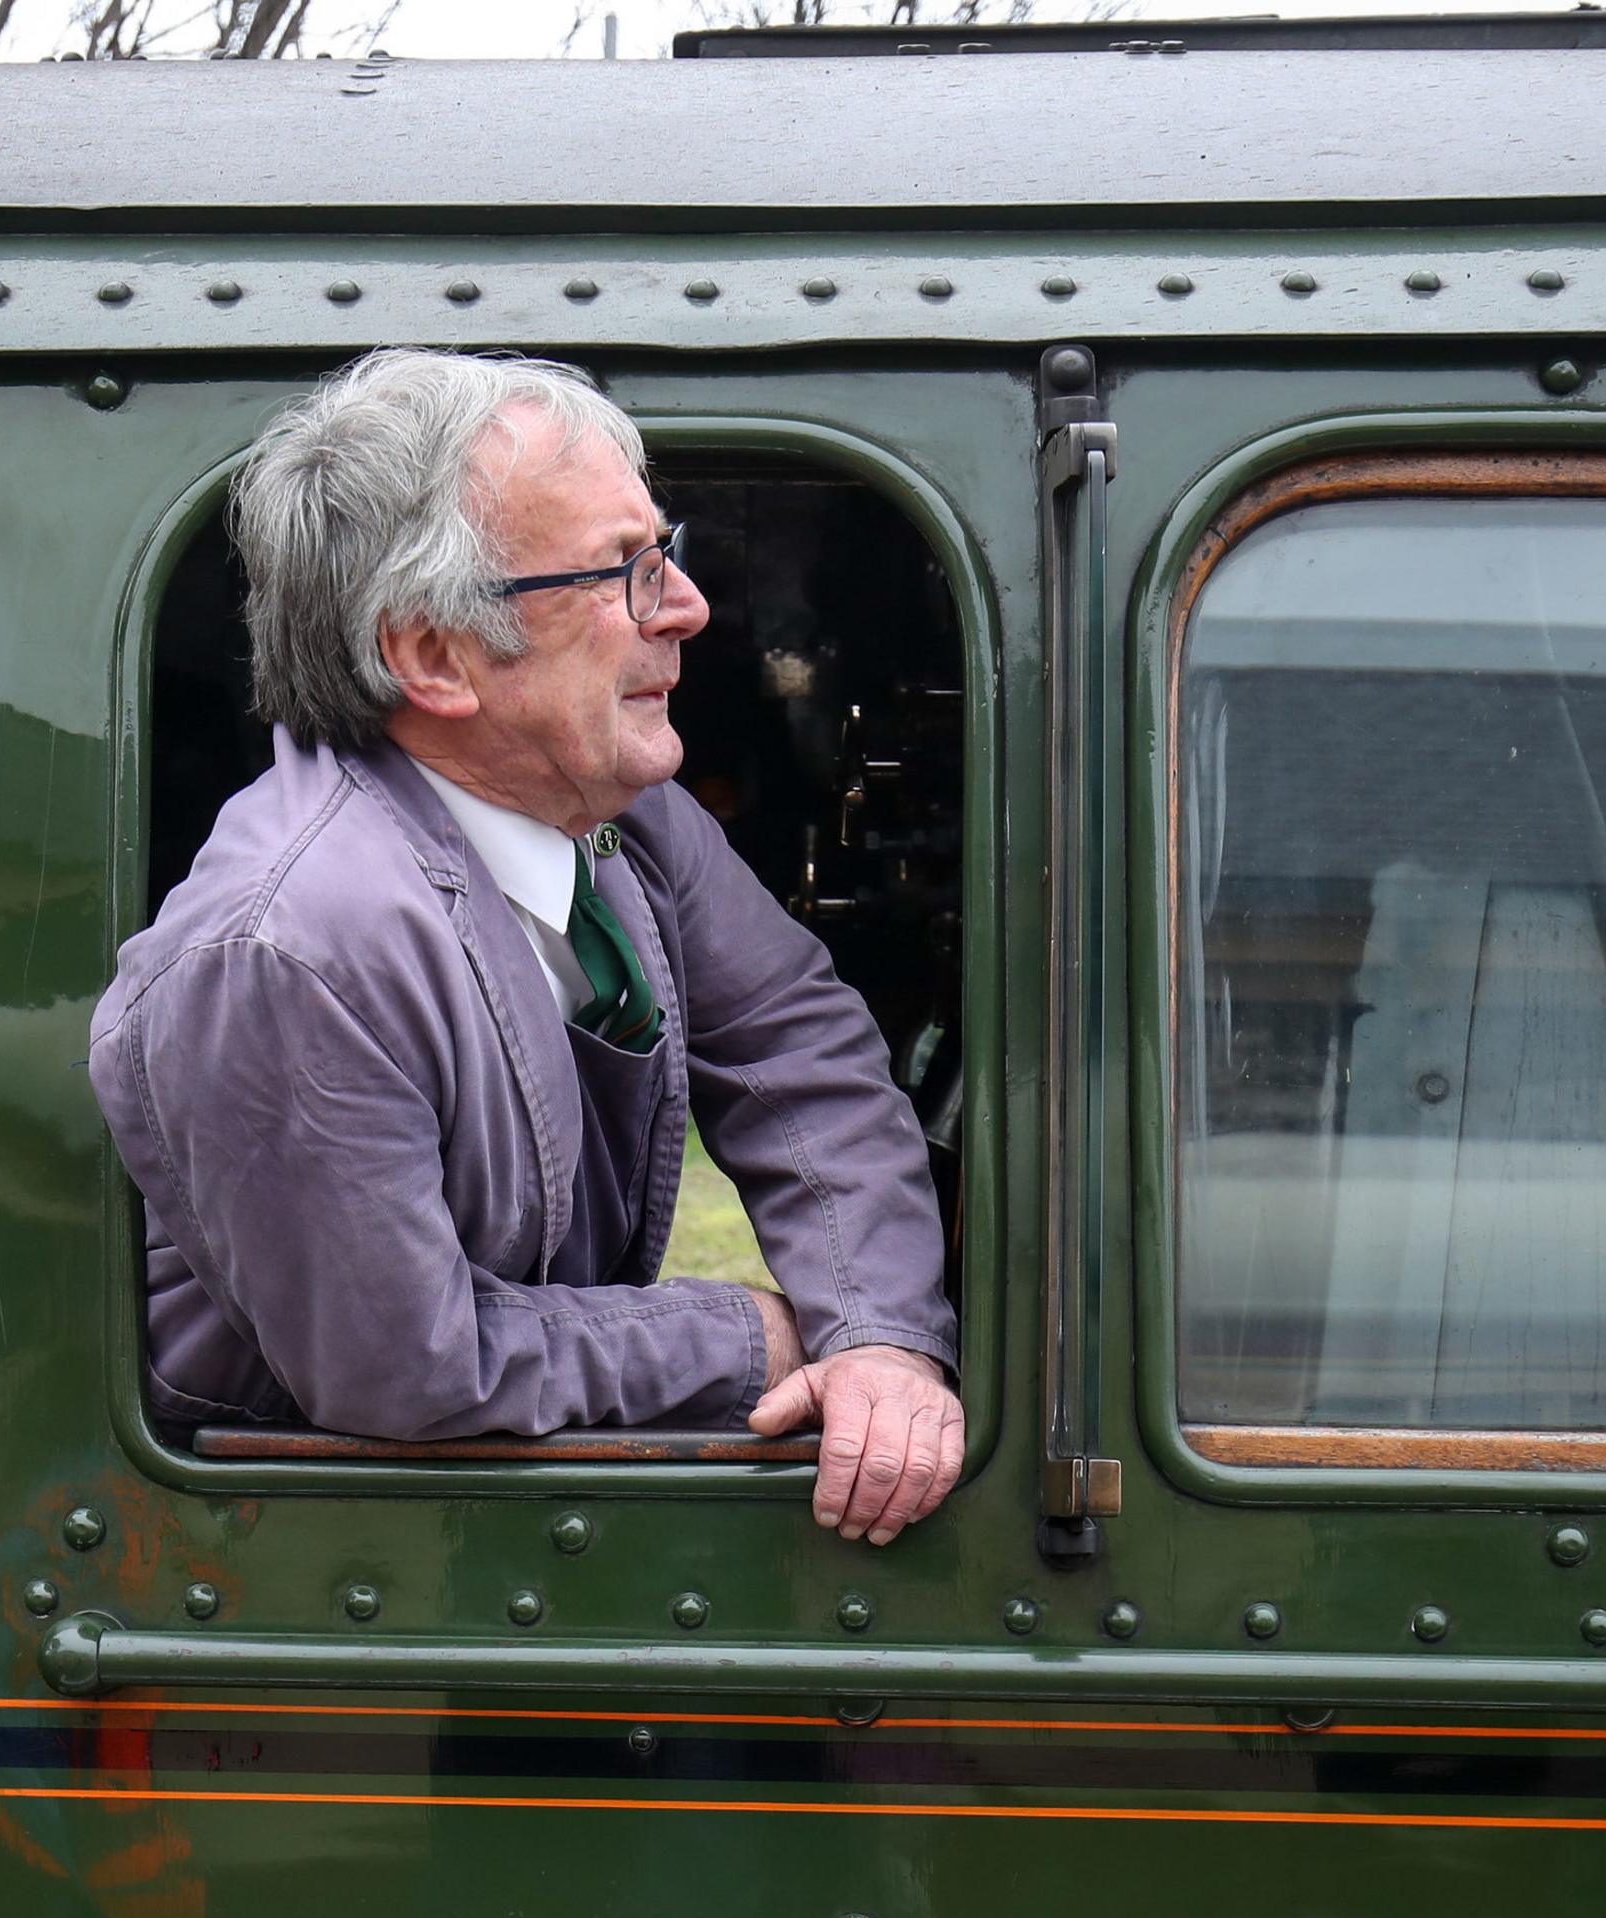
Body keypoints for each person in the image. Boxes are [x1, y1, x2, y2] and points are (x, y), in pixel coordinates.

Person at [92, 349, 965, 1544]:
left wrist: (875, 1333)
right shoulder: (289, 950)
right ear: (436, 658)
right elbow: (415, 1367)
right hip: (307, 1558)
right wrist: (751, 1336)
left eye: (666, 546)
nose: (689, 606)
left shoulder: (616, 801)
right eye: (624, 570)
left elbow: (792, 1040)